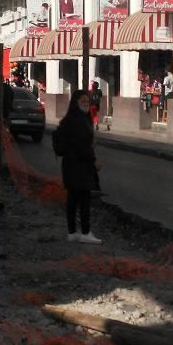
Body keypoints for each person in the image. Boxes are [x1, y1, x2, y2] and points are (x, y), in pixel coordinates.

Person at [57, 91, 102, 244]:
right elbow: (81, 145)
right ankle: (85, 232)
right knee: (84, 199)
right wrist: (93, 160)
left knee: (73, 198)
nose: (86, 104)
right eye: (82, 101)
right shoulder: (77, 120)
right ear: (76, 103)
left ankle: (72, 232)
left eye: (87, 101)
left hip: (71, 165)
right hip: (79, 165)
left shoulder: (74, 118)